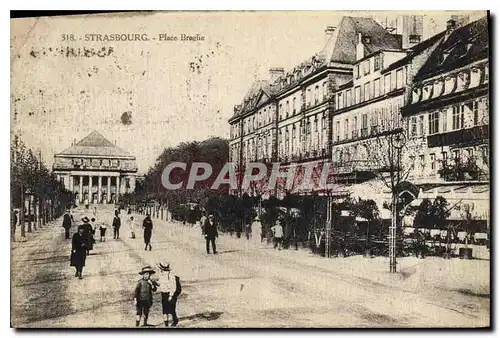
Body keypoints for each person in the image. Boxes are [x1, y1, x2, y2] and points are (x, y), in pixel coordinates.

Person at [157, 263, 182, 327]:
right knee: (165, 309)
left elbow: (173, 286)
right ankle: (166, 324)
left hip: (170, 293)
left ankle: (175, 320)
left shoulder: (171, 276)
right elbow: (159, 283)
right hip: (164, 293)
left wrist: (171, 295)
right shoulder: (161, 275)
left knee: (172, 308)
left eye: (162, 269)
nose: (161, 271)